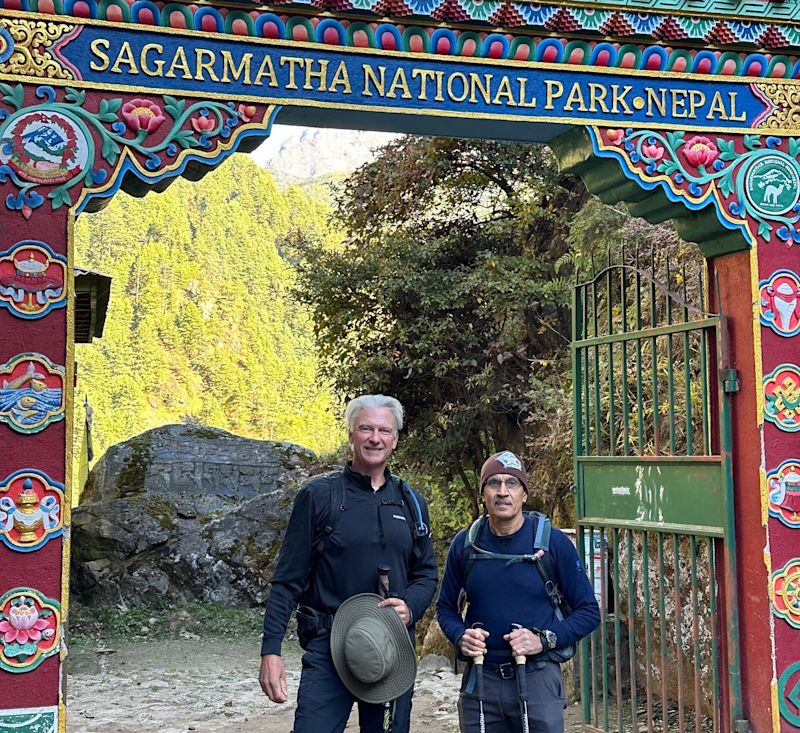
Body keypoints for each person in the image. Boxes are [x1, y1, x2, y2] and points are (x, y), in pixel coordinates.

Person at [259, 394, 438, 733]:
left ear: (396, 438)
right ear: (351, 434)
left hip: (389, 649)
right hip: (328, 646)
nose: (375, 438)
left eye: (384, 430)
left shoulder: (411, 502)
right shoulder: (319, 497)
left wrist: (411, 607)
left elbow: (426, 573)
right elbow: (287, 581)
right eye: (366, 428)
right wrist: (271, 651)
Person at [436, 450, 600, 733]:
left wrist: (544, 640)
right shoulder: (466, 546)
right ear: (483, 494)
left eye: (512, 483)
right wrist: (460, 636)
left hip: (537, 679)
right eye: (493, 483)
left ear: (524, 494)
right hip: (480, 679)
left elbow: (589, 611)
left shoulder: (552, 544)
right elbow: (445, 608)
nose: (502, 492)